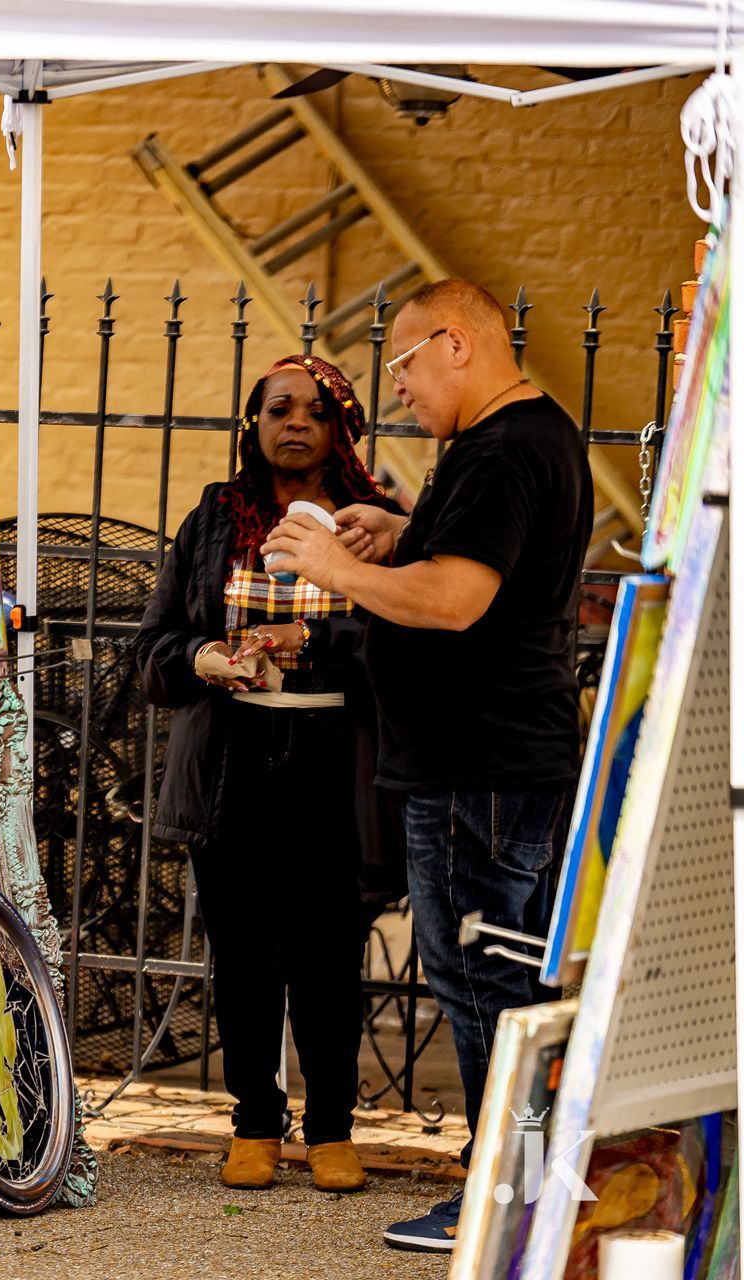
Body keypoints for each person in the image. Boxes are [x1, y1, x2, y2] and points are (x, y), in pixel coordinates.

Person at [260, 279, 592, 1252]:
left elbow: (455, 601)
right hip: (502, 759)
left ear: (454, 342)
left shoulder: (499, 448)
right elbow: (488, 563)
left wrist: (337, 567)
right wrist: (401, 534)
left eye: (401, 366)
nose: (395, 390)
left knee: (483, 981)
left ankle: (504, 1198)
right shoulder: (531, 435)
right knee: (513, 980)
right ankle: (528, 1185)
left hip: (474, 767)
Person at [135, 354, 404, 1194]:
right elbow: (150, 654)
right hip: (230, 761)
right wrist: (206, 657)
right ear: (252, 425)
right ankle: (255, 1124)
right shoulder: (214, 518)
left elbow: (404, 650)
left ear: (339, 430)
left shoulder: (375, 524)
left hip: (336, 762)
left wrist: (310, 644)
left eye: (315, 411)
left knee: (328, 952)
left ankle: (330, 1129)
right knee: (243, 952)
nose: (295, 422)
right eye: (277, 408)